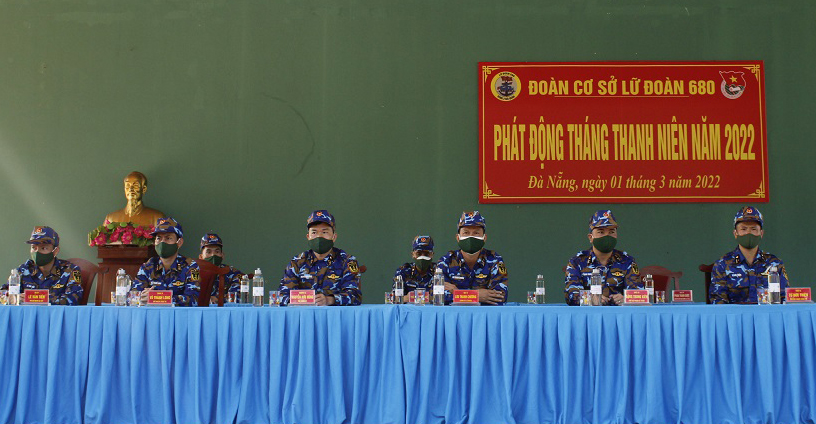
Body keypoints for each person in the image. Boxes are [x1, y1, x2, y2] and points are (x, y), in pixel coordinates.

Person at [278, 210, 362, 306]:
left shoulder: (347, 261)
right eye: (314, 232)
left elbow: (355, 296)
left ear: (334, 237)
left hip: (334, 315)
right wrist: (301, 300)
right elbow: (282, 295)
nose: (319, 236)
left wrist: (329, 300)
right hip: (304, 314)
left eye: (324, 232)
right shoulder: (297, 262)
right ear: (308, 237)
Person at [710, 206, 789, 304]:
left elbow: (784, 298)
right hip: (735, 314)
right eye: (743, 229)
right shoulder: (722, 264)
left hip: (768, 313)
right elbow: (718, 301)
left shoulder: (775, 264)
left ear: (761, 233)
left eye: (753, 229)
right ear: (735, 233)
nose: (748, 233)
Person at [564, 210, 641, 306]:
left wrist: (626, 299)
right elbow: (571, 295)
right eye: (601, 232)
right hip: (588, 314)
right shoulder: (577, 262)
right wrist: (591, 299)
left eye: (611, 232)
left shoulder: (627, 261)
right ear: (590, 237)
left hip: (619, 314)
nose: (607, 236)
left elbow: (638, 293)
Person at [436, 211, 508, 305]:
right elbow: (437, 296)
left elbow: (501, 296)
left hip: (484, 314)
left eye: (476, 233)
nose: (471, 237)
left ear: (484, 238)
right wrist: (476, 295)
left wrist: (456, 293)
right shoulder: (446, 261)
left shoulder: (495, 260)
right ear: (458, 238)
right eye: (466, 232)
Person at [0, 226, 83, 305]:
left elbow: (73, 299)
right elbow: (2, 294)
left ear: (55, 251)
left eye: (43, 248)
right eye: (34, 248)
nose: (37, 252)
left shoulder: (70, 270)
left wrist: (35, 298)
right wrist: (12, 298)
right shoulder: (23, 270)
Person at [132, 217, 200, 306]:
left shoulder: (191, 266)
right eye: (158, 238)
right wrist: (142, 297)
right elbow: (134, 296)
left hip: (178, 314)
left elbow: (194, 300)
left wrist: (159, 298)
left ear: (179, 243)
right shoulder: (148, 266)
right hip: (153, 313)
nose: (162, 242)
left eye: (168, 238)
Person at [199, 233, 246, 303]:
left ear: (222, 255)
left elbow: (236, 298)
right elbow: (189, 298)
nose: (213, 255)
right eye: (208, 252)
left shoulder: (234, 274)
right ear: (201, 257)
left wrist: (214, 300)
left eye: (217, 251)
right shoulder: (191, 274)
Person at [392, 235, 435, 302]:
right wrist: (407, 298)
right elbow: (394, 298)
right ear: (412, 254)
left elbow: (446, 297)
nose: (422, 257)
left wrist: (430, 298)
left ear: (432, 255)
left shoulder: (439, 272)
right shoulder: (403, 271)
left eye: (426, 254)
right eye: (419, 254)